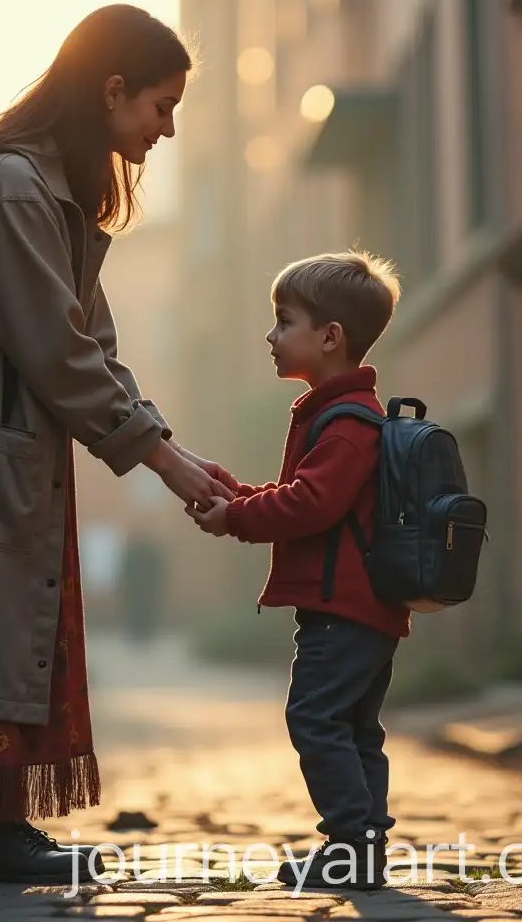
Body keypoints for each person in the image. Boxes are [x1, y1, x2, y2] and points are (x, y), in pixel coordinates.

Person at [0, 5, 237, 884]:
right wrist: (166, 464)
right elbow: (59, 352)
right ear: (111, 90)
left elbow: (91, 345)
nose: (167, 129)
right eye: (161, 106)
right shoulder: (13, 189)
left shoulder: (51, 196)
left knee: (11, 630)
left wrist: (169, 443)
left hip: (5, 441)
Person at [187, 250, 410, 890]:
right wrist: (236, 493)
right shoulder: (339, 414)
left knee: (315, 720)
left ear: (330, 337)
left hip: (343, 610)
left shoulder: (346, 423)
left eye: (284, 321)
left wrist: (237, 519)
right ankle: (362, 853)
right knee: (356, 729)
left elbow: (312, 504)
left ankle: (349, 848)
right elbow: (308, 496)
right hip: (361, 610)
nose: (271, 335)